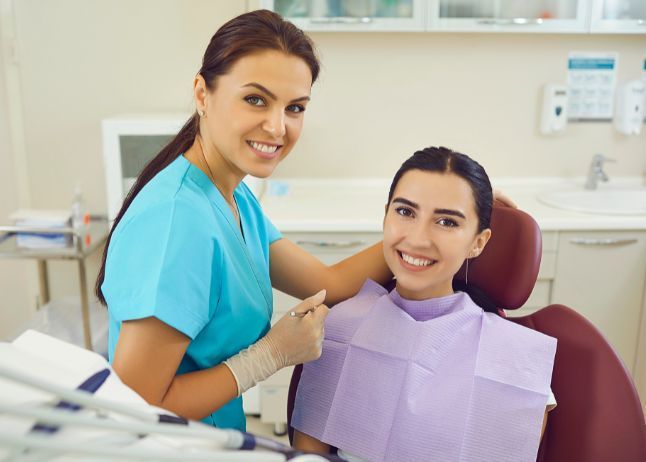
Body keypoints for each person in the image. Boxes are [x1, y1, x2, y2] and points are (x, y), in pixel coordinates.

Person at [96, 10, 515, 433]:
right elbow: (132, 405)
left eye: (294, 107)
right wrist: (268, 356)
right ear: (203, 94)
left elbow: (327, 284)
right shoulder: (176, 223)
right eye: (255, 99)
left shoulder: (230, 194)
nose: (277, 127)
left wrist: (415, 231)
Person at [291, 147, 557, 462]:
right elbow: (308, 457)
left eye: (447, 221)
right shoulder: (339, 329)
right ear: (385, 216)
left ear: (479, 241)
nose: (418, 239)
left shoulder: (514, 362)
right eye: (405, 212)